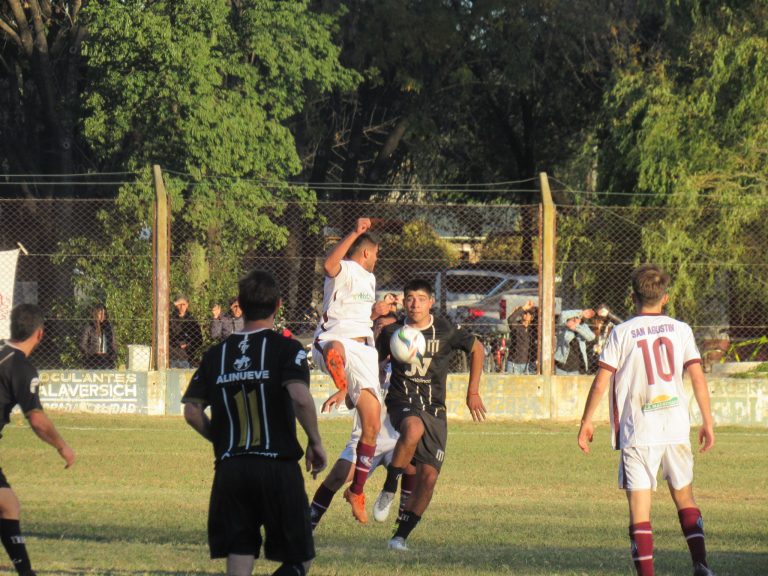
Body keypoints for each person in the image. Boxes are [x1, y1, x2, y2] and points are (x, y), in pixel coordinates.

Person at [182, 270, 326, 576]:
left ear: (241, 306)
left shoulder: (215, 355)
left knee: (240, 552)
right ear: (278, 305)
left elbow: (192, 412)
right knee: (301, 556)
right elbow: (300, 397)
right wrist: (315, 441)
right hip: (277, 467)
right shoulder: (287, 349)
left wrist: (222, 439)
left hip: (231, 468)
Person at [577, 264, 716, 576]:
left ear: (632, 297)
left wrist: (587, 421)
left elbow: (601, 382)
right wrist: (707, 421)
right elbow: (697, 377)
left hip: (639, 430)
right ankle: (701, 565)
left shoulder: (621, 332)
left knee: (640, 511)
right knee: (685, 497)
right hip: (676, 426)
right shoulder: (681, 329)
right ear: (664, 298)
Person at [375, 279, 486, 551]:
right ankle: (390, 487)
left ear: (431, 302)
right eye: (410, 298)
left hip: (435, 408)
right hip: (402, 401)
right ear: (403, 301)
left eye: (421, 298)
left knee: (428, 478)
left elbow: (477, 349)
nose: (415, 304)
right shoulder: (392, 332)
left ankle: (399, 537)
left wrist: (473, 391)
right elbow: (374, 362)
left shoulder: (445, 329)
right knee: (412, 429)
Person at [311, 217, 391, 523]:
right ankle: (342, 386)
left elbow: (358, 316)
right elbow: (329, 266)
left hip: (364, 349)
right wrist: (355, 231)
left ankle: (357, 490)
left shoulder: (370, 281)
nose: (377, 259)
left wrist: (375, 313)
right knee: (337, 352)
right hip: (334, 340)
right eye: (377, 253)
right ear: (368, 253)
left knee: (372, 423)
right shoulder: (344, 267)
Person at [0, 304, 76, 576]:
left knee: (8, 504)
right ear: (40, 334)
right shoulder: (21, 367)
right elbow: (36, 418)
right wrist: (62, 446)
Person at [555, 308, 596, 375]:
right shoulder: (563, 327)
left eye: (577, 318)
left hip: (576, 368)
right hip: (561, 366)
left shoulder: (583, 327)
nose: (575, 319)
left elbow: (591, 337)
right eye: (573, 317)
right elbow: (563, 314)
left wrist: (576, 327)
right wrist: (581, 313)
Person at [78, 303, 117, 369]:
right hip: (92, 359)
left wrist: (112, 357)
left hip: (106, 360)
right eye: (100, 313)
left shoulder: (109, 327)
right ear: (96, 314)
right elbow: (83, 345)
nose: (103, 316)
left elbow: (113, 344)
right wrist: (93, 353)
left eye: (104, 314)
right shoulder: (89, 327)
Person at [169, 295, 204, 369]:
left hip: (187, 358)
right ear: (175, 305)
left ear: (187, 305)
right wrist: (177, 343)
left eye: (183, 304)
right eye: (179, 305)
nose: (181, 307)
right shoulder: (170, 319)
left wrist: (188, 344)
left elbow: (199, 339)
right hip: (171, 357)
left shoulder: (192, 321)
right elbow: (166, 338)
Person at [505, 300, 538, 374]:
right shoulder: (516, 326)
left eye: (529, 314)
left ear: (532, 317)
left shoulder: (532, 329)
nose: (526, 315)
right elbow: (510, 319)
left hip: (527, 364)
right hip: (514, 363)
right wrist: (524, 308)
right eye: (525, 313)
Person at [587, 304, 621, 374]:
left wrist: (609, 315)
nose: (602, 320)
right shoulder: (592, 324)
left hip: (607, 358)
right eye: (600, 317)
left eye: (604, 318)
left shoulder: (611, 325)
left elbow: (622, 324)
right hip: (593, 358)